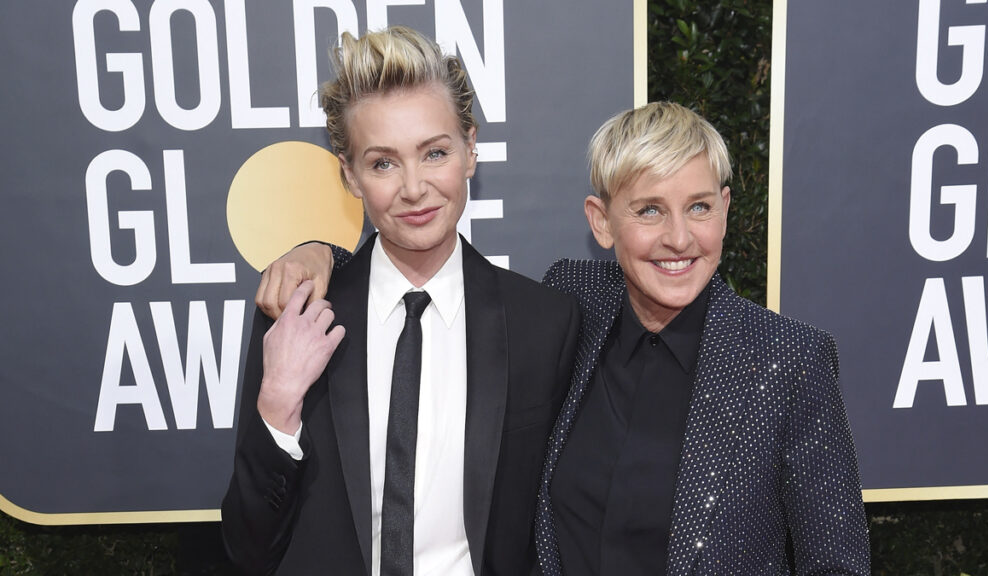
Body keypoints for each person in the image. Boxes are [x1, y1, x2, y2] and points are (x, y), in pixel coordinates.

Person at [258, 102, 870, 575]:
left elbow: (836, 562)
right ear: (601, 223)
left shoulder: (788, 362)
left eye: (700, 207)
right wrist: (320, 255)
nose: (680, 238)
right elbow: (417, 266)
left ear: (726, 210)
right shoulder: (573, 305)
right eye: (650, 210)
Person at [221, 26, 580, 576]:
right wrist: (277, 409)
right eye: (383, 163)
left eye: (434, 153)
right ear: (350, 175)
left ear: (470, 150)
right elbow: (248, 547)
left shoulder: (543, 323)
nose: (413, 188)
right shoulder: (299, 311)